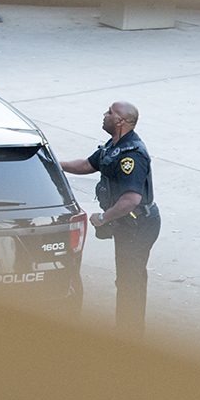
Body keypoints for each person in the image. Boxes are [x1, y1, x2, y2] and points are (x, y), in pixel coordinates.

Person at [60, 101, 160, 338]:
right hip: (129, 224)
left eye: (109, 112)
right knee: (130, 278)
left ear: (120, 121)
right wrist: (57, 164)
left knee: (129, 280)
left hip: (138, 225)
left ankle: (128, 335)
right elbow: (87, 164)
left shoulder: (132, 156)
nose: (104, 115)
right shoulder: (113, 146)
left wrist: (103, 217)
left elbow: (131, 199)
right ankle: (131, 331)